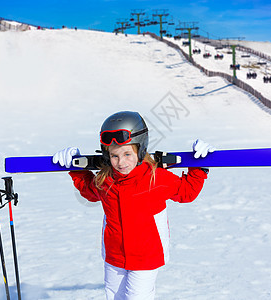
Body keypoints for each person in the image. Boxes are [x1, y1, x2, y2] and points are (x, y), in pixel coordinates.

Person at [53, 111, 215, 300]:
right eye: (114, 156)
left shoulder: (155, 178)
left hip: (146, 257)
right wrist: (74, 166)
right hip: (114, 256)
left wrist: (200, 165)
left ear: (141, 149)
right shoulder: (105, 180)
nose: (121, 162)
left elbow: (187, 192)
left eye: (127, 153)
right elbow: (89, 191)